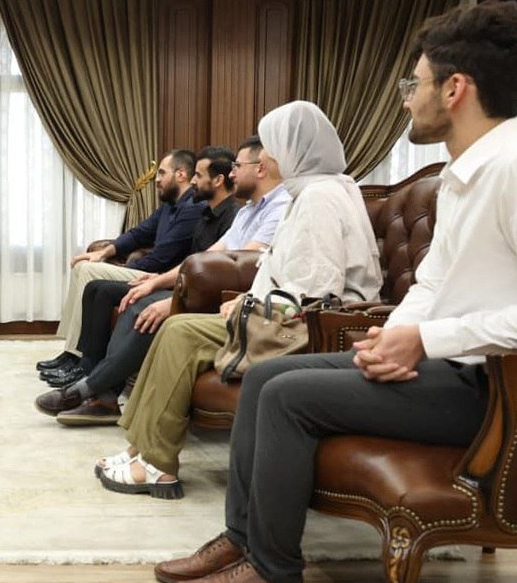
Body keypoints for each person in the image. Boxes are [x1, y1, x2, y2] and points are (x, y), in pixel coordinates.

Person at [161, 0, 517, 583]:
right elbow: (432, 284)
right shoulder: (470, 172)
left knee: (286, 396)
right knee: (267, 377)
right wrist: (394, 336)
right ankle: (243, 541)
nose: (406, 100)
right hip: (447, 367)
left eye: (414, 84)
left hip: (495, 391)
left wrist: (426, 342)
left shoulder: (510, 168)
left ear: (455, 89)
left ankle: (274, 576)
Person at [95, 100, 382, 498]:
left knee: (180, 333)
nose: (265, 158)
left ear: (293, 150)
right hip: (283, 315)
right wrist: (249, 296)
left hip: (310, 328)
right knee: (175, 327)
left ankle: (158, 464)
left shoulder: (320, 197)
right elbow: (291, 273)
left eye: (271, 147)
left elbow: (316, 290)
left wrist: (251, 304)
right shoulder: (315, 191)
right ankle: (140, 448)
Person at [38, 138, 290, 423]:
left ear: (260, 168)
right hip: (203, 288)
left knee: (146, 309)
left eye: (237, 166)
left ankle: (89, 389)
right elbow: (204, 258)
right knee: (137, 299)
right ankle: (103, 395)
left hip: (229, 299)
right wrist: (156, 283)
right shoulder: (247, 211)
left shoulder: (279, 208)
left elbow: (242, 268)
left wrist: (175, 298)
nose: (232, 173)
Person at [40, 146, 241, 391]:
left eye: (197, 176)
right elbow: (139, 234)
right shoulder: (195, 210)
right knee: (96, 287)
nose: (193, 181)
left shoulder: (201, 210)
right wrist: (106, 253)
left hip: (180, 284)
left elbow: (178, 260)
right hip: (169, 278)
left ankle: (83, 366)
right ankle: (81, 362)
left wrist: (148, 276)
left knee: (90, 274)